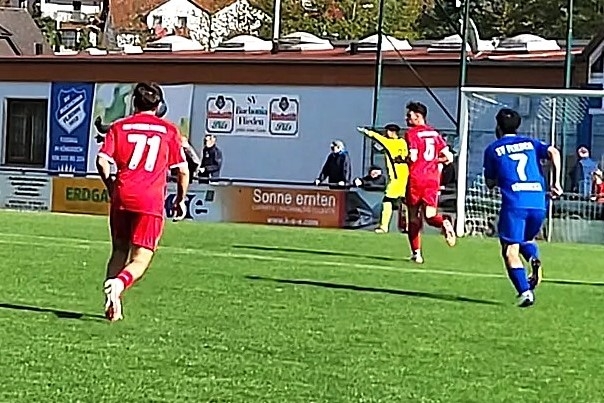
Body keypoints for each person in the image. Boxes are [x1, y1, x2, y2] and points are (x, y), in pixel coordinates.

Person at [96, 82, 190, 322]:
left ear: (133, 103)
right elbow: (182, 170)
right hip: (150, 201)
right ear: (159, 105)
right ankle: (119, 284)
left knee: (119, 250)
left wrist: (111, 186)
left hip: (122, 196)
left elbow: (102, 160)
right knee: (140, 258)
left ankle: (113, 303)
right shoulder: (168, 131)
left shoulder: (119, 127)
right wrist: (180, 200)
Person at [483, 108, 562, 307]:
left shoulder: (493, 149)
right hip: (538, 202)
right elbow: (553, 151)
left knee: (510, 250)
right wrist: (556, 182)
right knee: (526, 239)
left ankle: (525, 292)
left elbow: (490, 182)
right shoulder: (531, 143)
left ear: (498, 127)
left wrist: (498, 178)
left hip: (515, 203)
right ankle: (534, 259)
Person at [404, 102, 456, 263]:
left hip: (416, 178)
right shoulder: (434, 133)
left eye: (409, 115)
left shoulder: (412, 133)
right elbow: (449, 157)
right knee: (430, 215)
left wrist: (403, 159)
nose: (406, 118)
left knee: (413, 217)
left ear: (418, 116)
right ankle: (444, 222)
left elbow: (413, 157)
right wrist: (433, 161)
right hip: (433, 179)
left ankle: (417, 254)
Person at [358, 124, 409, 233]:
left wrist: (365, 131)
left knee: (387, 201)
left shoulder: (389, 143)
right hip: (406, 176)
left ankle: (384, 227)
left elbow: (376, 137)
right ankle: (408, 226)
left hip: (395, 178)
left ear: (392, 132)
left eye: (387, 131)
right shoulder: (403, 143)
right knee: (405, 202)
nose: (386, 134)